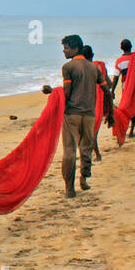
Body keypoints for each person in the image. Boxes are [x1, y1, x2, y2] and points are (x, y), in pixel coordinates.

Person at [42, 35, 99, 198]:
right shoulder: (93, 68)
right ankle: (84, 179)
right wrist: (110, 114)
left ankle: (69, 189)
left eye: (66, 47)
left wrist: (52, 91)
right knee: (86, 147)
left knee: (69, 151)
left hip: (72, 114)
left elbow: (66, 93)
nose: (63, 51)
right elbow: (107, 90)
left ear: (75, 49)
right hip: (89, 115)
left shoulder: (68, 67)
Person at [81, 44, 112, 162]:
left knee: (91, 131)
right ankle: (96, 154)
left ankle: (97, 155)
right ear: (92, 55)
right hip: (101, 101)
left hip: (88, 103)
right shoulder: (101, 66)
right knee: (94, 130)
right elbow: (108, 83)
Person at [113, 38, 135, 138]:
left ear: (121, 48)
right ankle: (131, 130)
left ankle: (124, 128)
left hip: (126, 88)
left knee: (127, 107)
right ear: (131, 47)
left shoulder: (119, 61)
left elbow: (116, 77)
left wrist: (112, 90)